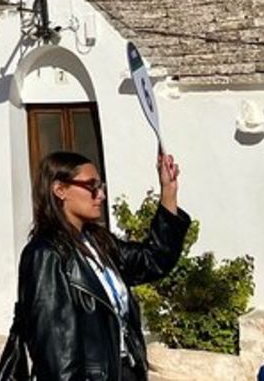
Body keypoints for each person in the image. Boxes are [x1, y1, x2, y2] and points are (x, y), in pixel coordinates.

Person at [16, 150, 188, 381]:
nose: (101, 195)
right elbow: (57, 354)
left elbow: (154, 259)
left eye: (101, 186)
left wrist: (168, 191)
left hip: (123, 371)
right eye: (91, 186)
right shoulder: (46, 255)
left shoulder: (98, 242)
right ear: (60, 190)